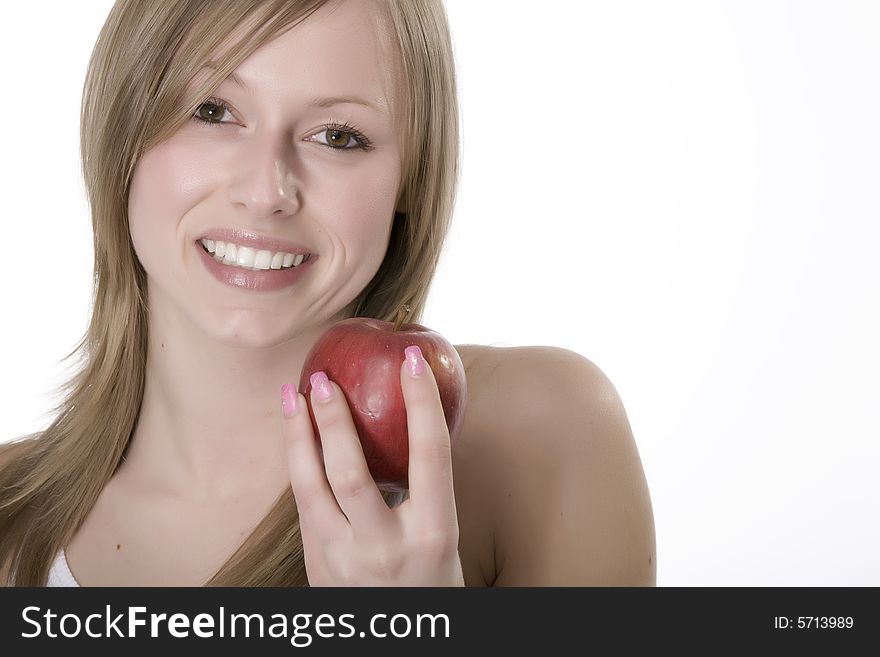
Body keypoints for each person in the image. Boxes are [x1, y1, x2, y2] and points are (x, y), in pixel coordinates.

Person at [0, 0, 655, 586]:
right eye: (213, 111)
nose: (265, 191)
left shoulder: (537, 433)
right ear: (121, 140)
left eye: (338, 136)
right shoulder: (9, 512)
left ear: (410, 183)